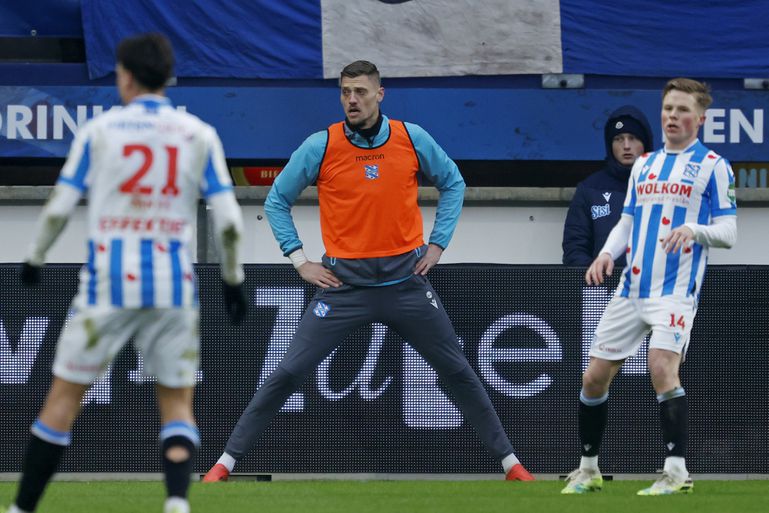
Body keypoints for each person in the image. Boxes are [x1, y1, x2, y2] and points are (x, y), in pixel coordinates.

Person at [203, 60, 534, 482]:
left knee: (457, 371)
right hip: (344, 289)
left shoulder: (411, 138)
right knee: (287, 372)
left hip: (407, 286)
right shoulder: (321, 145)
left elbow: (454, 183)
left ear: (381, 94)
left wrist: (438, 244)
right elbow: (276, 201)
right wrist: (299, 260)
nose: (352, 99)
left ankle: (511, 465)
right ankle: (224, 464)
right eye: (345, 92)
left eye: (360, 91)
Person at [3, 33, 246, 513]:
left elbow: (59, 207)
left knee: (63, 398)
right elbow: (231, 221)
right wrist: (233, 281)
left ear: (126, 76)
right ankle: (176, 502)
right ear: (168, 77)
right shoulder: (197, 133)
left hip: (106, 285)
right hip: (173, 284)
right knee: (176, 402)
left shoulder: (101, 131)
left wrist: (34, 259)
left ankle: (22, 509)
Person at [561, 78, 737, 496]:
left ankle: (676, 473)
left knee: (661, 367)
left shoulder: (714, 166)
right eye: (668, 109)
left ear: (700, 119)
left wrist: (695, 230)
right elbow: (627, 222)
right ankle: (588, 470)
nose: (673, 116)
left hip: (675, 290)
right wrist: (606, 253)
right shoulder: (645, 164)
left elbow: (728, 231)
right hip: (631, 288)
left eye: (682, 110)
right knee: (592, 380)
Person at [562, 105, 653, 267]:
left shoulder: (664, 186)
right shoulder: (590, 189)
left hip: (652, 288)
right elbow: (574, 247)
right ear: (610, 145)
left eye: (633, 138)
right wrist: (595, 279)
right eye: (618, 139)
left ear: (645, 143)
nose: (626, 145)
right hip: (601, 289)